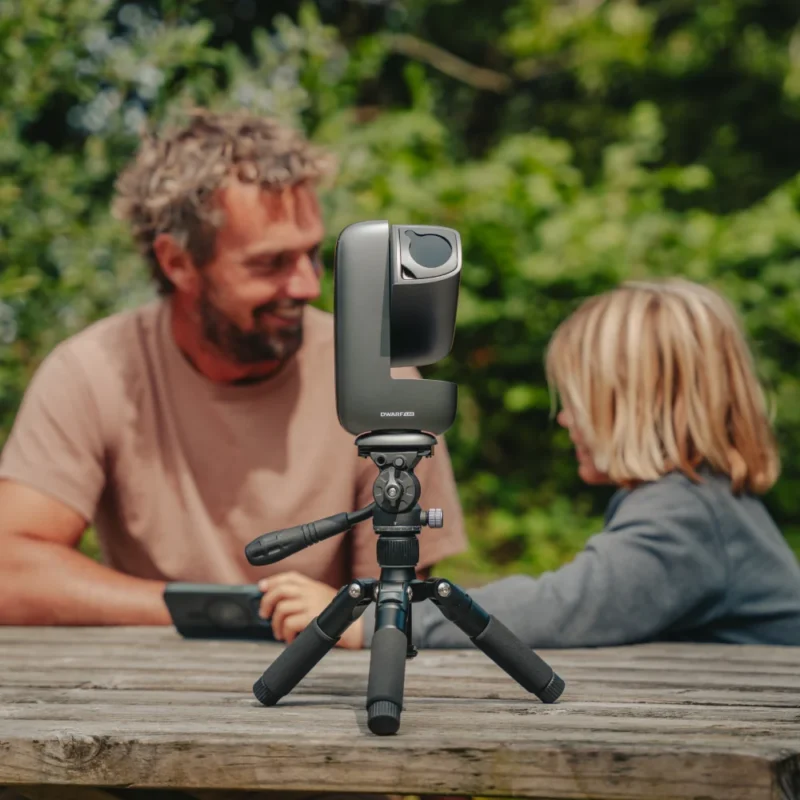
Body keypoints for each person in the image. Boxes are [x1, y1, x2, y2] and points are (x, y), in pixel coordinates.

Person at [0, 108, 468, 650]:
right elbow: (10, 569)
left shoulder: (381, 379)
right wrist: (226, 612)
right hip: (138, 699)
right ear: (178, 262)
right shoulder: (93, 371)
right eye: (270, 264)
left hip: (323, 698)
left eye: (312, 254)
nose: (307, 286)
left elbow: (401, 603)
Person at [378, 277, 800, 650]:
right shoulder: (700, 500)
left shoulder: (686, 516)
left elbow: (560, 608)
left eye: (579, 404)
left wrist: (388, 619)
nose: (564, 419)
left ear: (639, 408)